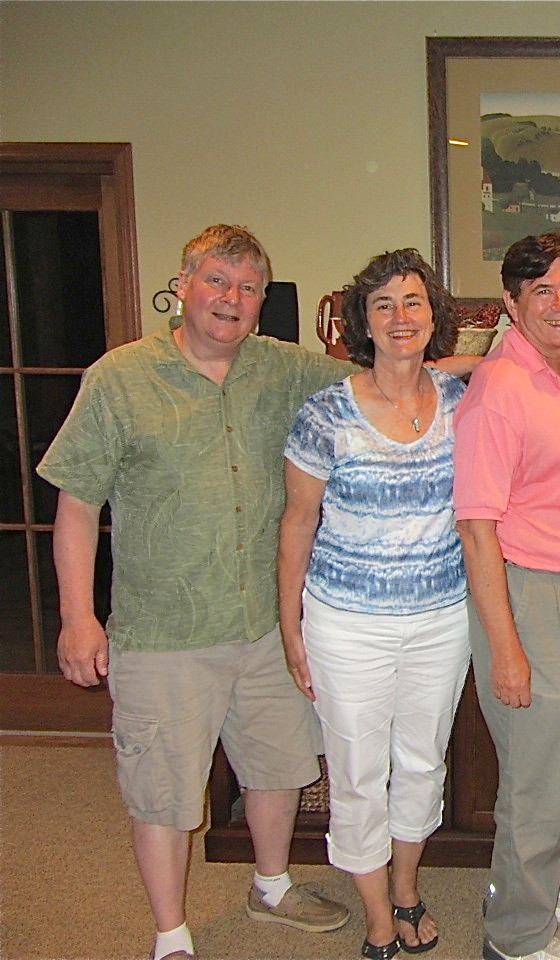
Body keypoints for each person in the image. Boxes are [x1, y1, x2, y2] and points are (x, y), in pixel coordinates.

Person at [38, 225, 351, 960]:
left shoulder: (281, 368)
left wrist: (497, 363)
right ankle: (170, 934)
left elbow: (384, 375)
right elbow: (77, 505)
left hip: (267, 624)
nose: (231, 300)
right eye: (217, 281)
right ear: (183, 285)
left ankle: (272, 887)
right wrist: (77, 617)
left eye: (247, 288)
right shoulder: (120, 378)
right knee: (164, 790)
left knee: (278, 766)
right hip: (164, 631)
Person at [278, 249, 470, 959]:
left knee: (422, 762)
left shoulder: (458, 401)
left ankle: (407, 887)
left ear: (433, 315)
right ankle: (378, 918)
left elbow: (500, 362)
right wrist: (290, 625)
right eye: (383, 304)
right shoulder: (325, 412)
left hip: (442, 618)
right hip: (345, 623)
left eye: (413, 302)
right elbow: (297, 522)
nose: (399, 317)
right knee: (358, 772)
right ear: (362, 319)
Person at [454, 233, 560, 960]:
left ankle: (534, 892)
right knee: (537, 779)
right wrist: (507, 648)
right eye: (541, 291)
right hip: (527, 592)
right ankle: (515, 938)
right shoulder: (500, 390)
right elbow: (477, 529)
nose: (559, 303)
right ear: (511, 303)